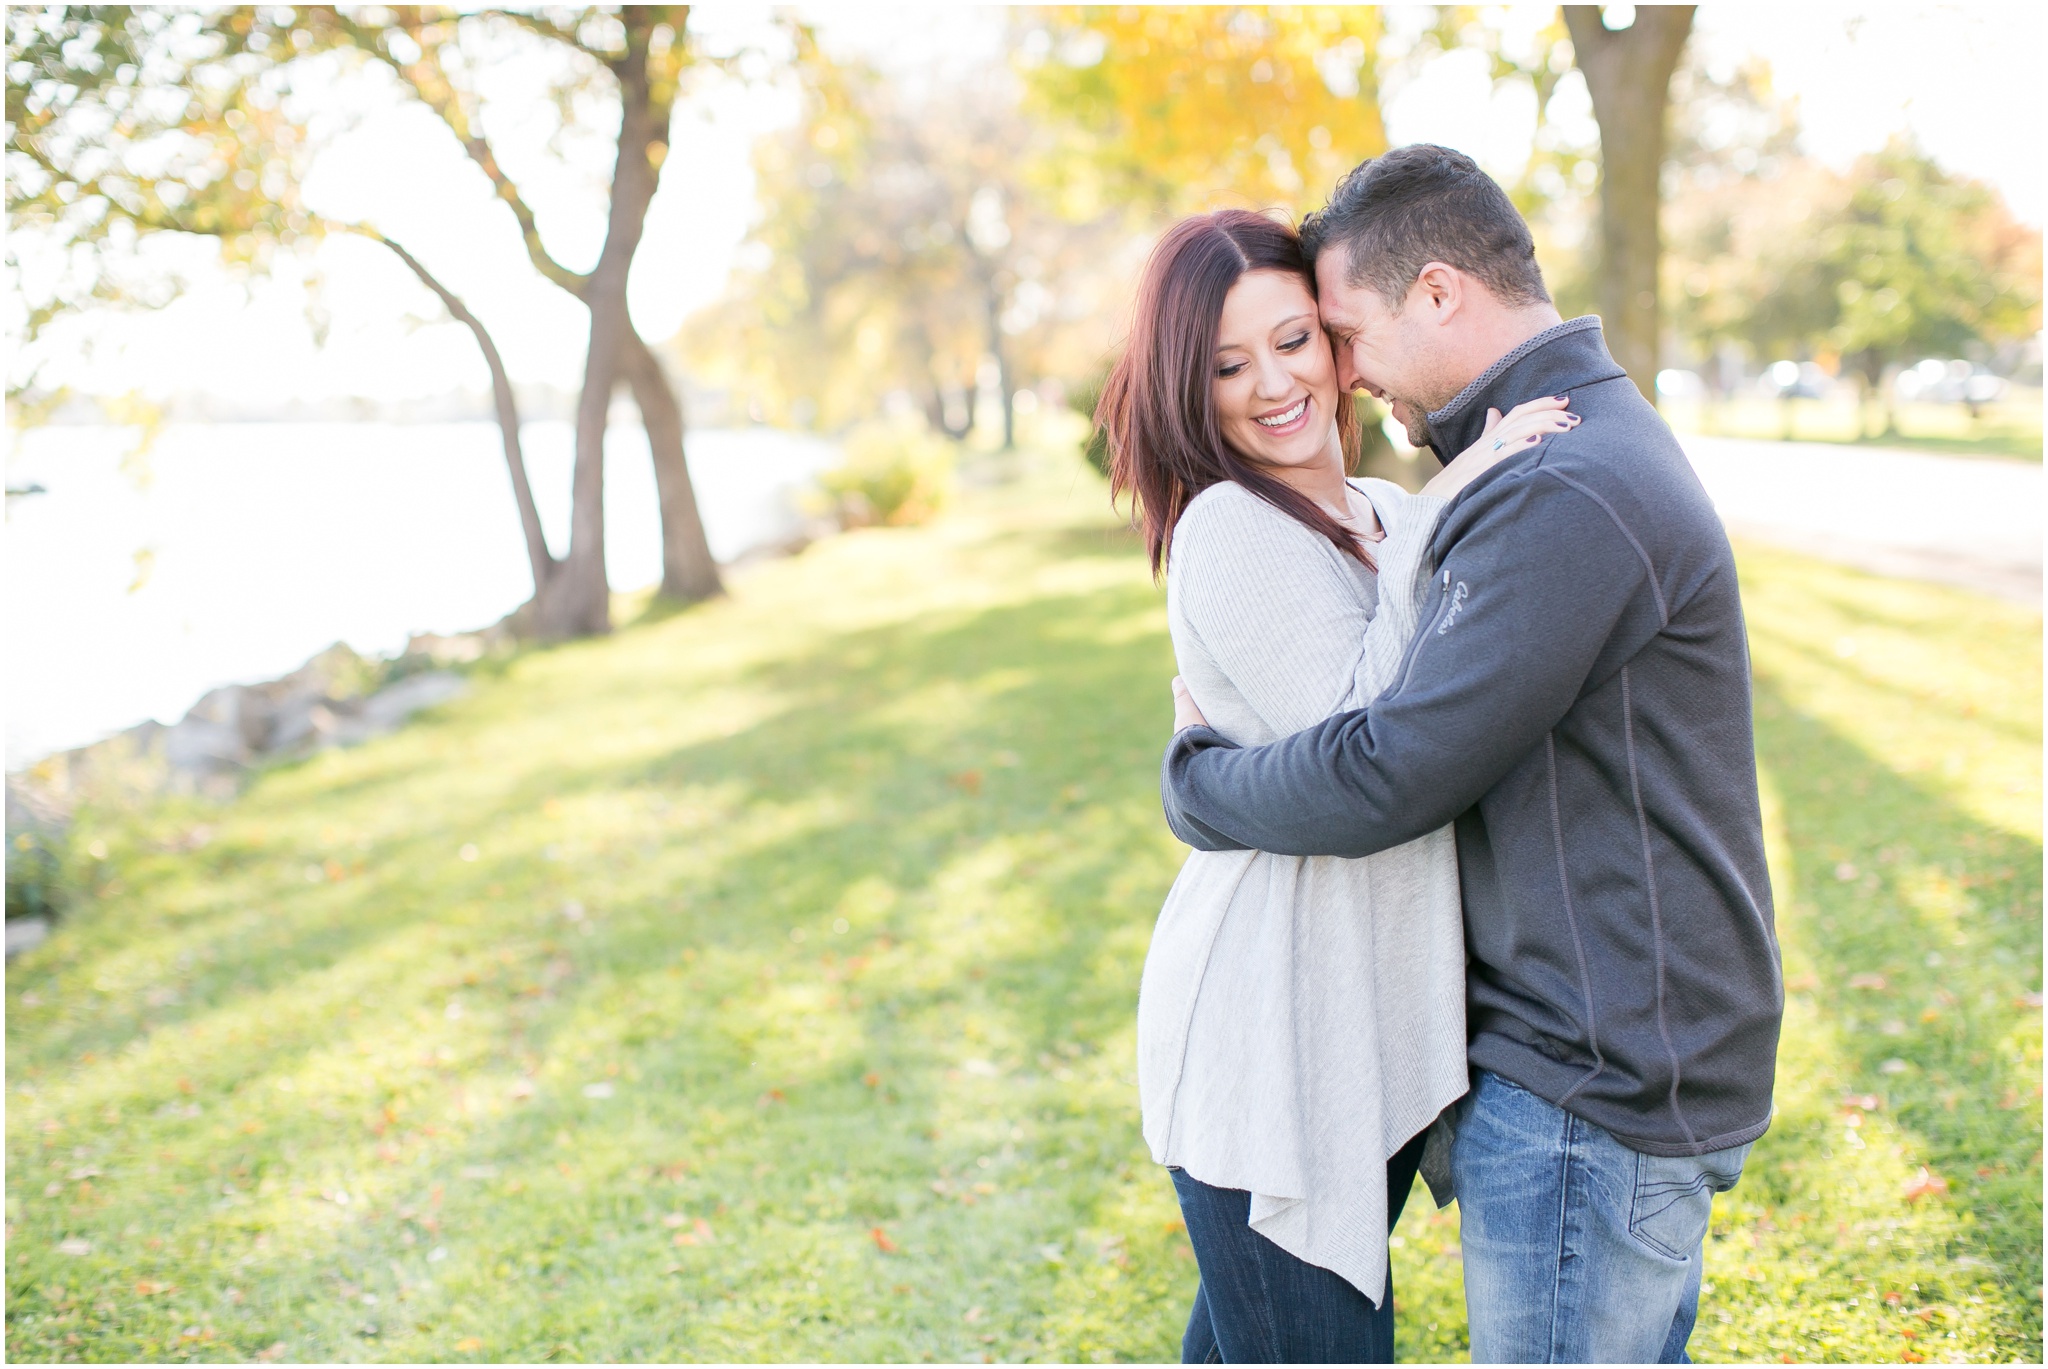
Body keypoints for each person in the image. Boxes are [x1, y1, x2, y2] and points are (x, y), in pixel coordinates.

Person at [1159, 145, 1784, 1364]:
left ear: (1437, 294)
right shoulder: (1549, 458)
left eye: (1330, 334)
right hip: (1504, 1048)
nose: (1334, 372)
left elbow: (1384, 768)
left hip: (1591, 1067)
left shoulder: (1553, 483)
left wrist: (1200, 785)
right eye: (1241, 359)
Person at [1100, 207, 1578, 1363]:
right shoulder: (1230, 529)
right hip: (1273, 1047)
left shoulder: (1386, 514)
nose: (1271, 383)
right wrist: (1456, 490)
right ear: (1187, 387)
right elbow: (1363, 750)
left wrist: (1433, 508)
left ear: (1336, 345)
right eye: (1225, 363)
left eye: (1292, 340)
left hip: (1361, 1033)